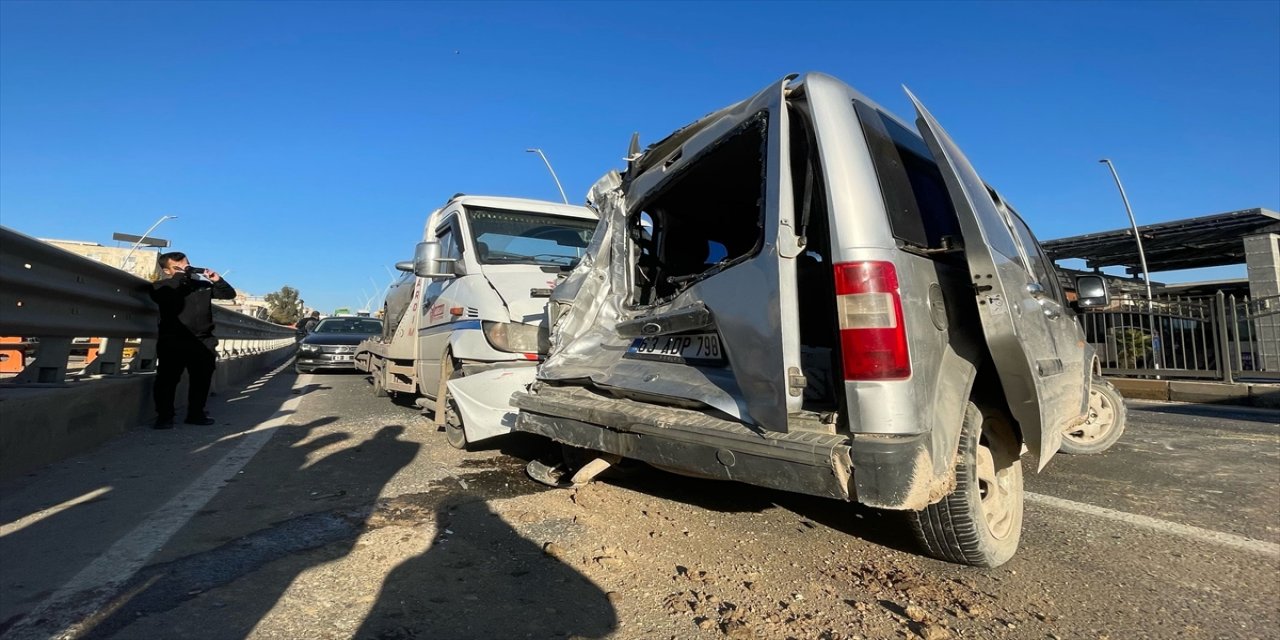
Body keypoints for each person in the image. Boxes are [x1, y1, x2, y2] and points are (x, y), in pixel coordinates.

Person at [149, 251, 236, 429]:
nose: (184, 268)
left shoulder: (201, 286)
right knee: (168, 379)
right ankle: (165, 416)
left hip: (204, 340)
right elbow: (165, 296)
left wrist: (217, 279)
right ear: (167, 271)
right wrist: (180, 276)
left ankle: (196, 414)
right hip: (173, 339)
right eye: (177, 266)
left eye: (186, 264)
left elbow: (228, 294)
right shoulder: (161, 286)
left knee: (202, 379)